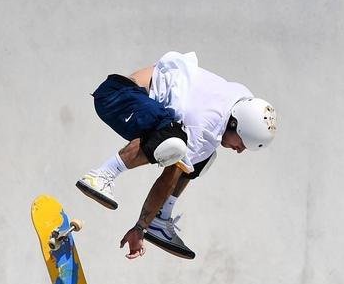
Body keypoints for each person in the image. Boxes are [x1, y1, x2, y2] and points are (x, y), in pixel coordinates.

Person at [76, 51, 277, 260]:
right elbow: (167, 179)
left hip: (131, 98)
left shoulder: (241, 102)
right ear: (234, 124)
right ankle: (100, 175)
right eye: (242, 143)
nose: (240, 150)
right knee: (174, 143)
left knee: (201, 159)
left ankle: (160, 220)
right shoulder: (207, 126)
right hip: (116, 96)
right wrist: (140, 227)